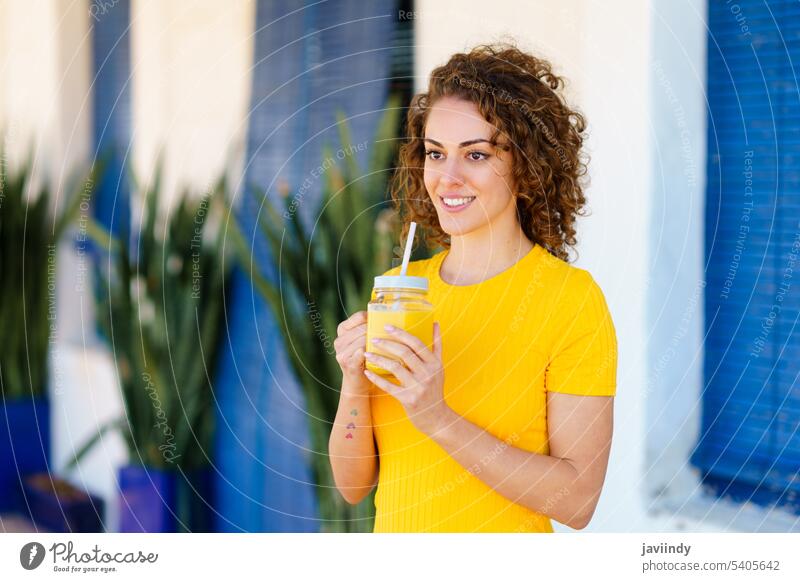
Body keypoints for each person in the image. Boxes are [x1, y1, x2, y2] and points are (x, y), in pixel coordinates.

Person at [328, 42, 617, 532]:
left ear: (526, 166)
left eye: (476, 154)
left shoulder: (570, 300)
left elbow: (578, 501)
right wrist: (353, 384)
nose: (448, 177)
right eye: (435, 153)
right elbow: (353, 485)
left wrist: (437, 417)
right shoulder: (403, 290)